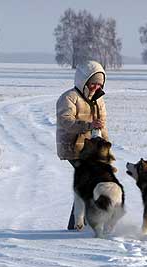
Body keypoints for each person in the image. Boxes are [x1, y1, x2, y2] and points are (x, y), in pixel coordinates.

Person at [56, 60, 110, 230]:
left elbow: (102, 125)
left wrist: (106, 146)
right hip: (73, 148)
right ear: (83, 81)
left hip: (91, 150)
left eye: (99, 84)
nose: (95, 87)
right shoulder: (69, 98)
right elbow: (65, 121)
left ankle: (79, 224)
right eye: (92, 83)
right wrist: (87, 125)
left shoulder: (99, 100)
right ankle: (80, 224)